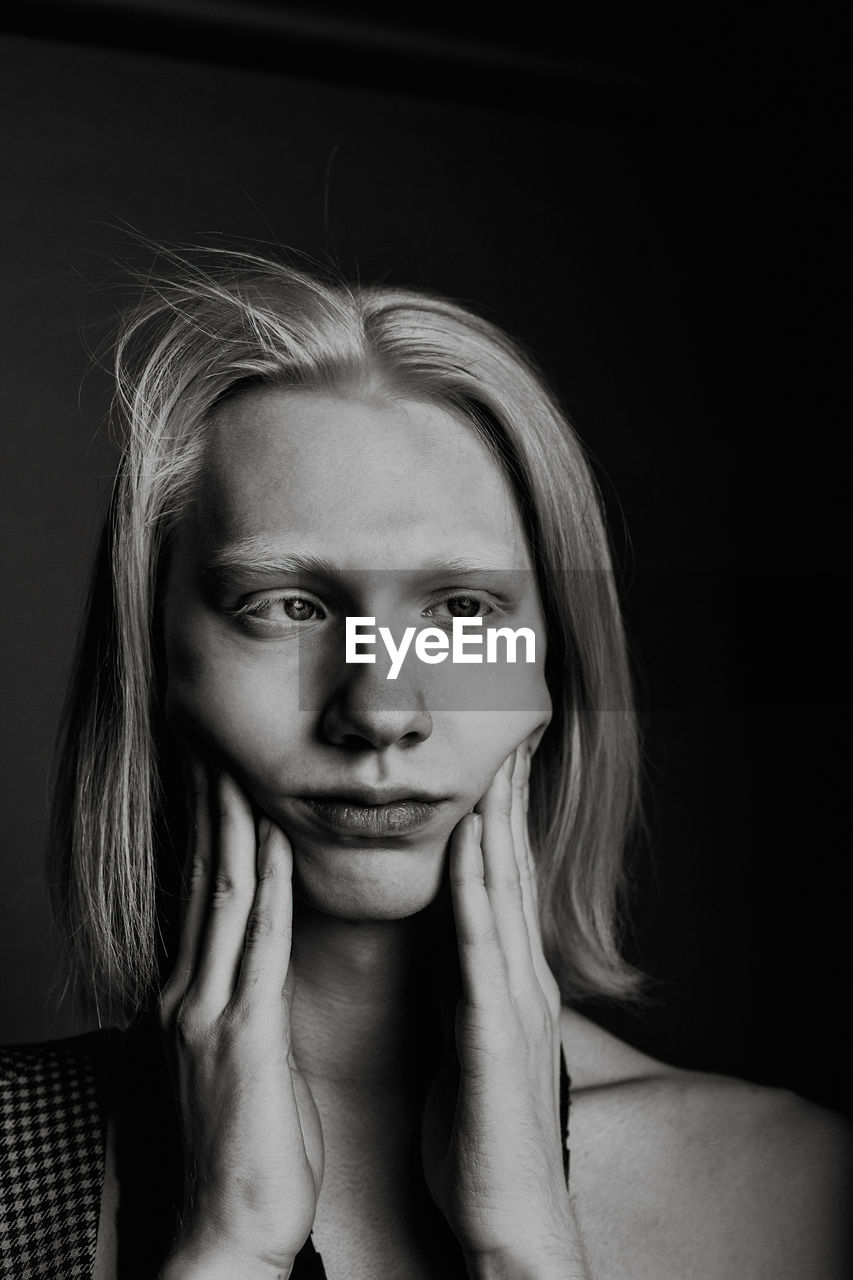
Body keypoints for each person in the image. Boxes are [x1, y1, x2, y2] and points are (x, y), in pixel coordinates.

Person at [0, 244, 848, 1280]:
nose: (380, 709)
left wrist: (524, 1250)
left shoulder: (787, 1188)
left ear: (551, 670)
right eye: (289, 607)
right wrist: (229, 1250)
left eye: (459, 611)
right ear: (152, 665)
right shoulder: (11, 1160)